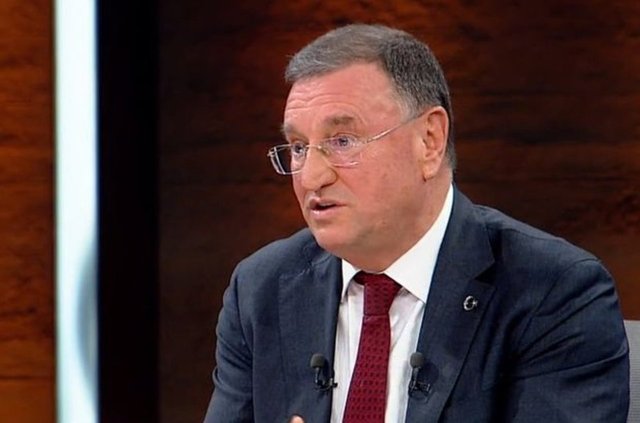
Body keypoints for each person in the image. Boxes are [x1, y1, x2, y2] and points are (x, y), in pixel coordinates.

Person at [203, 24, 629, 422]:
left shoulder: (553, 292)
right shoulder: (261, 290)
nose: (312, 177)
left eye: (342, 141)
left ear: (429, 141)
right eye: (298, 147)